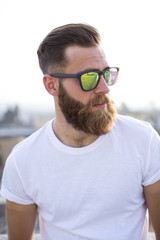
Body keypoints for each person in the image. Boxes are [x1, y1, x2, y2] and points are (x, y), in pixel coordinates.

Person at [0, 23, 160, 240]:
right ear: (52, 85)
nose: (104, 87)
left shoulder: (143, 141)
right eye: (89, 77)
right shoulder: (23, 161)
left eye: (106, 74)